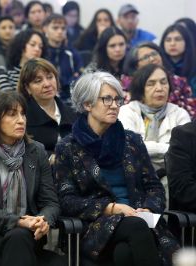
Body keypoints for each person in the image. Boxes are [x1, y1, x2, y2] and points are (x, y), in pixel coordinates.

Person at [55, 71, 179, 266]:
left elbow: (154, 186)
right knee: (137, 229)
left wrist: (147, 208)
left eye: (117, 99)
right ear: (87, 104)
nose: (115, 105)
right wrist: (111, 208)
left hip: (140, 221)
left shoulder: (132, 141)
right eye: (107, 99)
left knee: (125, 254)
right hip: (95, 226)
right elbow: (66, 199)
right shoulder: (69, 147)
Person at [0, 90, 63, 266]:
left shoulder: (36, 151)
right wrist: (19, 222)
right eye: (12, 114)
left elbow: (51, 202)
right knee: (18, 240)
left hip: (29, 231)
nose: (21, 120)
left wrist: (43, 220)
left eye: (23, 113)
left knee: (19, 238)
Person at [118, 64, 190, 177]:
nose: (159, 88)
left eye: (163, 82)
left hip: (172, 176)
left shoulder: (180, 114)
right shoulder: (126, 112)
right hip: (134, 175)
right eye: (151, 84)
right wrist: (168, 149)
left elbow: (186, 152)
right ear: (140, 89)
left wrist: (145, 148)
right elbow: (129, 148)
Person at [17, 57, 76, 157]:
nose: (47, 84)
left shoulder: (73, 112)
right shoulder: (22, 117)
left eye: (50, 77)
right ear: (27, 88)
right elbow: (21, 152)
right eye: (38, 81)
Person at [122, 42, 196, 119]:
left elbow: (192, 111)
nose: (152, 59)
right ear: (136, 65)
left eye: (154, 54)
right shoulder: (127, 86)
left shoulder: (178, 82)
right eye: (145, 57)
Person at [43, 14, 82, 101]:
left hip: (70, 97)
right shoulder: (41, 52)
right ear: (45, 29)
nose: (60, 31)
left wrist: (65, 83)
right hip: (47, 96)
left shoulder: (71, 52)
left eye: (63, 28)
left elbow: (80, 73)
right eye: (55, 28)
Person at [160, 24, 196, 94]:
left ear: (187, 42)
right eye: (168, 40)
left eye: (178, 39)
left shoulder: (194, 65)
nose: (172, 44)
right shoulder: (158, 66)